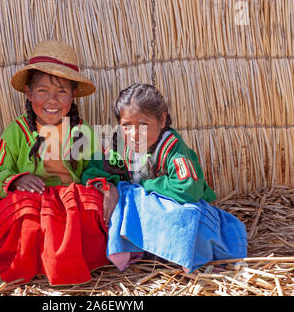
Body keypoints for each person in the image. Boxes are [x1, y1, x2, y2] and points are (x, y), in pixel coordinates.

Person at [0, 40, 109, 286]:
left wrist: (96, 185)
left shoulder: (82, 131)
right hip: (33, 199)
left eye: (62, 91)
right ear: (29, 93)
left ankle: (68, 262)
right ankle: (37, 262)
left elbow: (97, 167)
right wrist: (17, 180)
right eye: (42, 90)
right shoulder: (17, 132)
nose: (52, 100)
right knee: (28, 211)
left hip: (68, 202)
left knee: (92, 204)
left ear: (73, 96)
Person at [81, 83, 247, 273]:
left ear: (162, 120)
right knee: (116, 199)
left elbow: (187, 189)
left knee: (190, 218)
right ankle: (140, 251)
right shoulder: (121, 145)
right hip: (147, 212)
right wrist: (107, 187)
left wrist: (145, 184)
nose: (135, 134)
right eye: (127, 126)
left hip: (176, 208)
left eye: (143, 124)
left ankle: (177, 253)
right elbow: (94, 170)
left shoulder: (171, 147)